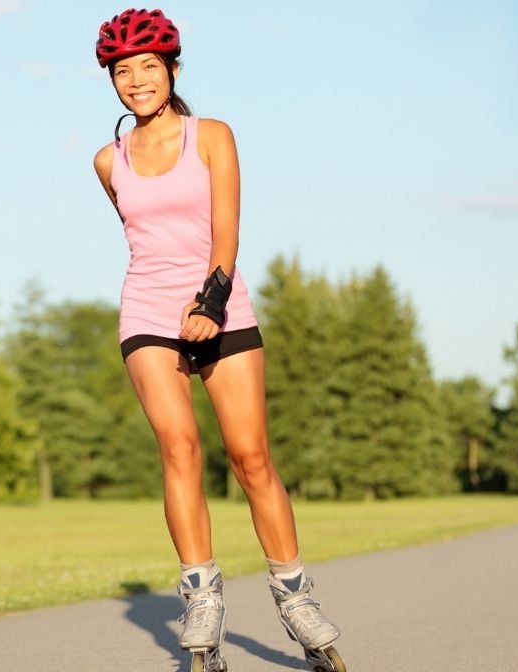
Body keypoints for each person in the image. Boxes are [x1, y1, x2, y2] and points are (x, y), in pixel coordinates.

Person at [91, 8, 345, 672]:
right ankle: (202, 599)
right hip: (146, 310)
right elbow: (145, 242)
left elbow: (224, 232)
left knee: (250, 456)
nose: (137, 80)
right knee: (179, 448)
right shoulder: (105, 160)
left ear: (172, 68)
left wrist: (210, 301)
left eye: (149, 66)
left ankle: (295, 600)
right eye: (123, 71)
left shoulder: (212, 136)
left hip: (220, 303)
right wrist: (175, 305)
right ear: (111, 80)